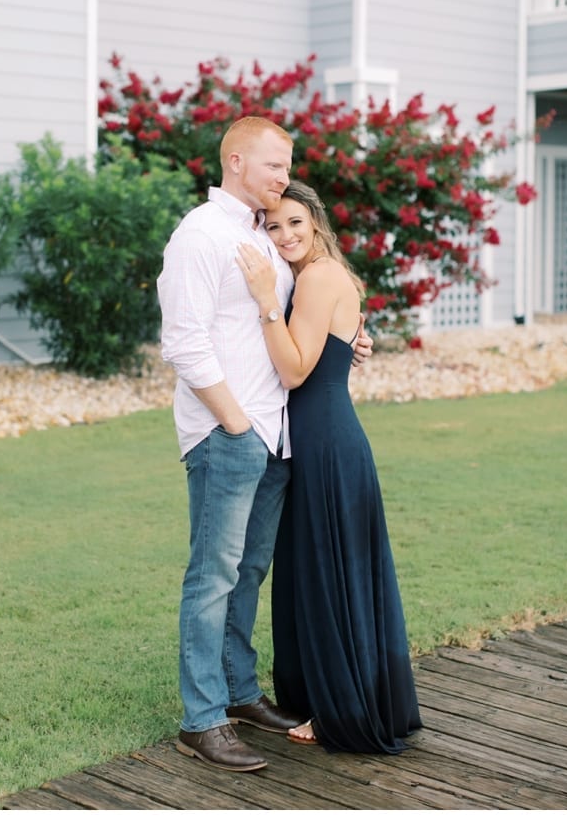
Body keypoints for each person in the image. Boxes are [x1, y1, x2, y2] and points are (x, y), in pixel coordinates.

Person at [157, 116, 372, 772]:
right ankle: (202, 718)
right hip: (231, 435)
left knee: (249, 572)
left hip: (276, 436)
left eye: (287, 166)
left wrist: (350, 341)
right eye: (276, 165)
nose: (285, 178)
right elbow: (184, 341)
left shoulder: (260, 234)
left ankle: (242, 693)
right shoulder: (199, 235)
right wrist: (234, 424)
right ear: (237, 159)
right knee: (213, 573)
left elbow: (292, 324)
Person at [235, 180, 423, 753]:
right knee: (321, 573)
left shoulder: (314, 278)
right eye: (273, 226)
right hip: (318, 436)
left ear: (315, 222)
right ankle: (323, 695)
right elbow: (330, 353)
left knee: (327, 575)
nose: (285, 235)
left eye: (295, 223)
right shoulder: (321, 275)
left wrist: (267, 299)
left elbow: (293, 372)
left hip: (325, 443)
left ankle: (341, 710)